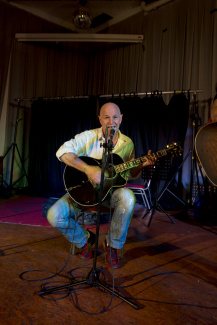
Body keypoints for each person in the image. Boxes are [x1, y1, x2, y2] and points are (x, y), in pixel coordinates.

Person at [47, 102, 156, 268]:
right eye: (106, 117)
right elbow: (62, 152)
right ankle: (84, 239)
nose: (111, 121)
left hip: (109, 194)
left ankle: (112, 245)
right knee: (54, 215)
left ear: (121, 119)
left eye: (115, 117)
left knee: (128, 197)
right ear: (100, 119)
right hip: (84, 193)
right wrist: (88, 169)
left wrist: (142, 164)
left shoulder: (127, 143)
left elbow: (131, 174)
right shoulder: (88, 136)